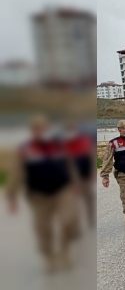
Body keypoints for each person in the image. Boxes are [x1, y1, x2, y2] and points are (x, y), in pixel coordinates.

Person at [6, 115, 80, 272]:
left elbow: (70, 165)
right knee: (43, 228)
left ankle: (64, 251)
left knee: (68, 220)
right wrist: (11, 196)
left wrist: (75, 183)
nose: (42, 132)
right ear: (32, 131)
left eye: (44, 128)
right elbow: (16, 173)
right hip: (38, 195)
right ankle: (49, 257)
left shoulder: (59, 146)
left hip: (62, 189)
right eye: (37, 129)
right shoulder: (25, 150)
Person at [64, 121, 96, 228]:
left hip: (85, 177)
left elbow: (91, 158)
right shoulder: (64, 145)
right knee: (72, 202)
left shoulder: (84, 142)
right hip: (70, 180)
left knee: (88, 199)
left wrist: (92, 172)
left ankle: (90, 218)